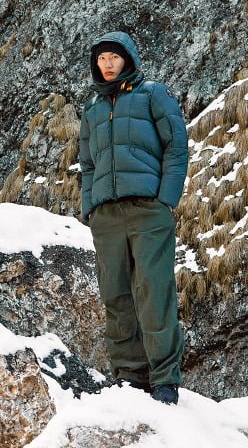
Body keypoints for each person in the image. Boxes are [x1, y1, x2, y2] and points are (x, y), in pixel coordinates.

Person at [78, 31, 189, 405]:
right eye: (101, 58)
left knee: (154, 292)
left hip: (147, 211)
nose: (106, 64)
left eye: (113, 57)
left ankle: (164, 379)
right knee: (116, 295)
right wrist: (90, 207)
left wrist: (166, 199)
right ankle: (128, 376)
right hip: (106, 216)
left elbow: (176, 146)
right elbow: (88, 165)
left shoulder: (152, 94)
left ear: (128, 59)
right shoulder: (92, 110)